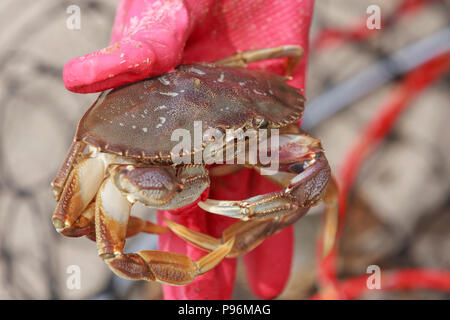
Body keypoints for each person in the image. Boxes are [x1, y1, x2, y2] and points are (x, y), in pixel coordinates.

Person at [64, 0, 314, 300]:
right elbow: (78, 225)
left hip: (234, 86)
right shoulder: (109, 146)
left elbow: (313, 166)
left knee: (310, 168)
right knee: (91, 228)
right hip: (141, 144)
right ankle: (193, 269)